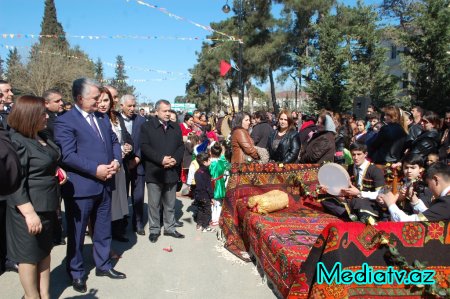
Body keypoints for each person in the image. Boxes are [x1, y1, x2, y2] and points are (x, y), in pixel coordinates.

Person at [54, 78, 126, 293]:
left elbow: (114, 142)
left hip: (105, 184)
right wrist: (95, 169)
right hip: (81, 187)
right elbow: (67, 154)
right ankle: (76, 272)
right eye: (95, 98)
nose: (99, 102)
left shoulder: (102, 118)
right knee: (76, 233)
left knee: (103, 228)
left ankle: (103, 264)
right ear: (80, 98)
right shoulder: (65, 121)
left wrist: (116, 161)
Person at [4, 95, 65, 299]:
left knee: (45, 252)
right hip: (28, 209)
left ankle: (45, 294)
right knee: (29, 257)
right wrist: (29, 213)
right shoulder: (17, 142)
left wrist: (57, 172)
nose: (46, 116)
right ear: (29, 116)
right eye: (42, 114)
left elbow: (49, 160)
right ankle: (32, 296)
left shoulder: (42, 135)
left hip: (48, 204)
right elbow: (14, 182)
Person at [140, 99, 185, 243]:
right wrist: (161, 159)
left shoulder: (175, 127)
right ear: (156, 111)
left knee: (170, 203)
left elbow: (180, 147)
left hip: (171, 170)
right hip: (154, 171)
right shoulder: (147, 126)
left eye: (169, 111)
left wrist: (174, 160)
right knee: (154, 203)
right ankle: (154, 229)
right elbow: (145, 147)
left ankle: (170, 227)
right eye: (164, 111)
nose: (168, 114)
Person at [98, 88, 133, 242]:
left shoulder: (116, 117)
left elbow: (125, 136)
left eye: (113, 98)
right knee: (107, 202)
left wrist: (127, 146)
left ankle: (117, 230)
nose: (115, 101)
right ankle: (104, 234)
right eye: (113, 97)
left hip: (119, 166)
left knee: (119, 199)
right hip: (104, 167)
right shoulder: (96, 117)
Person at [320, 143, 385, 221]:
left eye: (359, 154)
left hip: (367, 202)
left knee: (359, 203)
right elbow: (341, 187)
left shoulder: (375, 170)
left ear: (365, 154)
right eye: (353, 154)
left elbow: (381, 194)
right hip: (351, 200)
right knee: (324, 198)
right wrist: (329, 189)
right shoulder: (349, 168)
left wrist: (359, 193)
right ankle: (354, 216)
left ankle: (357, 216)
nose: (356, 157)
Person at [118, 94, 147, 236]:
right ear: (121, 106)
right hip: (121, 165)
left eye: (134, 105)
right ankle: (121, 225)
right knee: (122, 196)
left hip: (138, 165)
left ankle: (138, 223)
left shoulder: (141, 121)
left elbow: (145, 142)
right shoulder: (115, 120)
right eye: (129, 106)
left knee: (139, 196)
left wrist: (137, 158)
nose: (132, 108)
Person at [381, 162, 450, 221]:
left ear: (435, 179)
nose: (429, 188)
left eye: (428, 184)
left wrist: (391, 204)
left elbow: (411, 223)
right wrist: (413, 199)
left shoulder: (446, 202)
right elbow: (429, 215)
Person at [209, 142, 230, 226]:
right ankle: (217, 218)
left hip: (211, 183)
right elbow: (229, 166)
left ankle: (213, 218)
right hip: (220, 182)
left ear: (211, 152)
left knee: (212, 202)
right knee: (219, 202)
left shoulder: (209, 162)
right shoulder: (223, 161)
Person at [194, 152, 215, 232]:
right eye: (209, 160)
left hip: (198, 195)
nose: (210, 160)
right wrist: (212, 197)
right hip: (205, 196)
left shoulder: (197, 172)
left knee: (200, 209)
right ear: (204, 162)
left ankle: (199, 225)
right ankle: (205, 226)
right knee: (207, 211)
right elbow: (208, 187)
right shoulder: (206, 173)